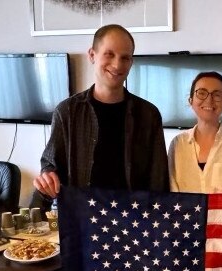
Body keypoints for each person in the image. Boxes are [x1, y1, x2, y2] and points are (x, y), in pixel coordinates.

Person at [33, 24, 169, 202]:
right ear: (92, 55)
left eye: (125, 58)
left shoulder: (148, 114)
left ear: (131, 63)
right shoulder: (67, 112)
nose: (117, 64)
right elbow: (51, 165)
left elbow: (158, 179)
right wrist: (47, 178)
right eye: (109, 54)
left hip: (135, 221)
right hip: (82, 219)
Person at [168, 72, 222, 193]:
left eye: (217, 95)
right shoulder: (178, 143)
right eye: (201, 93)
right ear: (191, 100)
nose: (209, 99)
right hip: (185, 212)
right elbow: (172, 194)